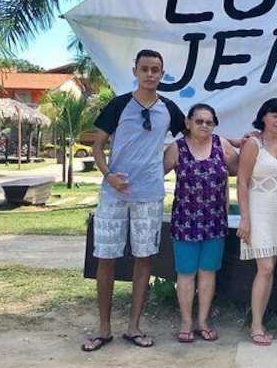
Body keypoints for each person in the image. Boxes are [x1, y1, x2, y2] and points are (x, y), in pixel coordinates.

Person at [82, 49, 185, 353]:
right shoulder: (118, 105)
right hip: (114, 194)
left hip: (149, 195)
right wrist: (108, 174)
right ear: (135, 71)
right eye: (145, 69)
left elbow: (192, 137)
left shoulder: (169, 109)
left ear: (162, 74)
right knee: (106, 258)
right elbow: (97, 146)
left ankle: (134, 327)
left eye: (156, 70)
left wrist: (162, 168)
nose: (150, 74)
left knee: (144, 259)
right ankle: (103, 328)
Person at [163, 103, 239, 343]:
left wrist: (243, 143)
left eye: (209, 122)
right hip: (185, 221)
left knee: (208, 273)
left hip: (215, 221)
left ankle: (203, 321)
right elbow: (155, 174)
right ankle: (186, 323)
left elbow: (239, 169)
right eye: (199, 121)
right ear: (188, 123)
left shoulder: (221, 145)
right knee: (185, 273)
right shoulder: (177, 148)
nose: (204, 125)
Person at [236, 98, 277, 347]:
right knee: (266, 268)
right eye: (276, 115)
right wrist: (245, 218)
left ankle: (260, 320)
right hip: (258, 210)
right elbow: (241, 181)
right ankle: (256, 325)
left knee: (271, 269)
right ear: (264, 116)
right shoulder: (252, 144)